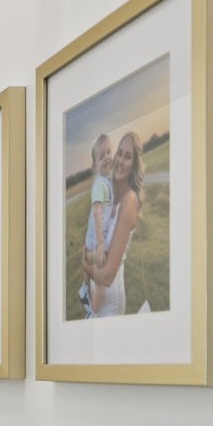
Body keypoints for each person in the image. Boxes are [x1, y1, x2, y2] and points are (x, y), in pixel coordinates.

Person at [82, 130, 143, 318]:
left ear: (133, 165)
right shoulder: (109, 191)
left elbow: (107, 276)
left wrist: (85, 259)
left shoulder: (130, 199)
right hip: (96, 296)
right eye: (119, 153)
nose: (119, 160)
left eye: (127, 157)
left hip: (110, 306)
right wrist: (89, 255)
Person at [77, 133, 114, 317]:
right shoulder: (99, 184)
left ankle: (83, 288)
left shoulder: (107, 180)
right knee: (100, 280)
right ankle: (93, 311)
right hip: (96, 239)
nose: (107, 157)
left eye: (109, 152)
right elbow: (97, 213)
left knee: (90, 276)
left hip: (92, 236)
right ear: (95, 164)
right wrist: (100, 243)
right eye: (102, 156)